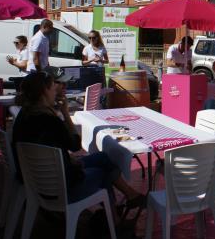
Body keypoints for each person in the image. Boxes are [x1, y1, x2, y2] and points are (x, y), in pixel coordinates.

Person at [11, 71, 145, 217]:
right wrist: (66, 113)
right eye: (52, 88)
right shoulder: (50, 121)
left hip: (35, 182)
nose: (55, 91)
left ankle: (127, 198)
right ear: (44, 92)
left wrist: (70, 162)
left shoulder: (22, 116)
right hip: (62, 189)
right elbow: (75, 145)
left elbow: (50, 149)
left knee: (102, 158)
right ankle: (114, 218)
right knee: (105, 172)